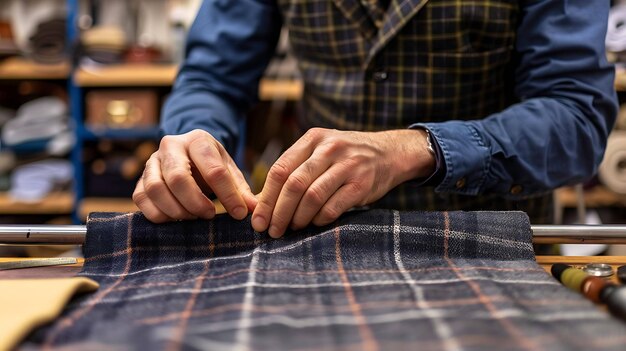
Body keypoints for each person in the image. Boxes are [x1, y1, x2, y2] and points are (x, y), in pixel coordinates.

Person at [133, 0, 617, 238]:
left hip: (488, 243)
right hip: (321, 241)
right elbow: (213, 77)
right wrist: (195, 133)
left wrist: (416, 149)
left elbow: (576, 117)